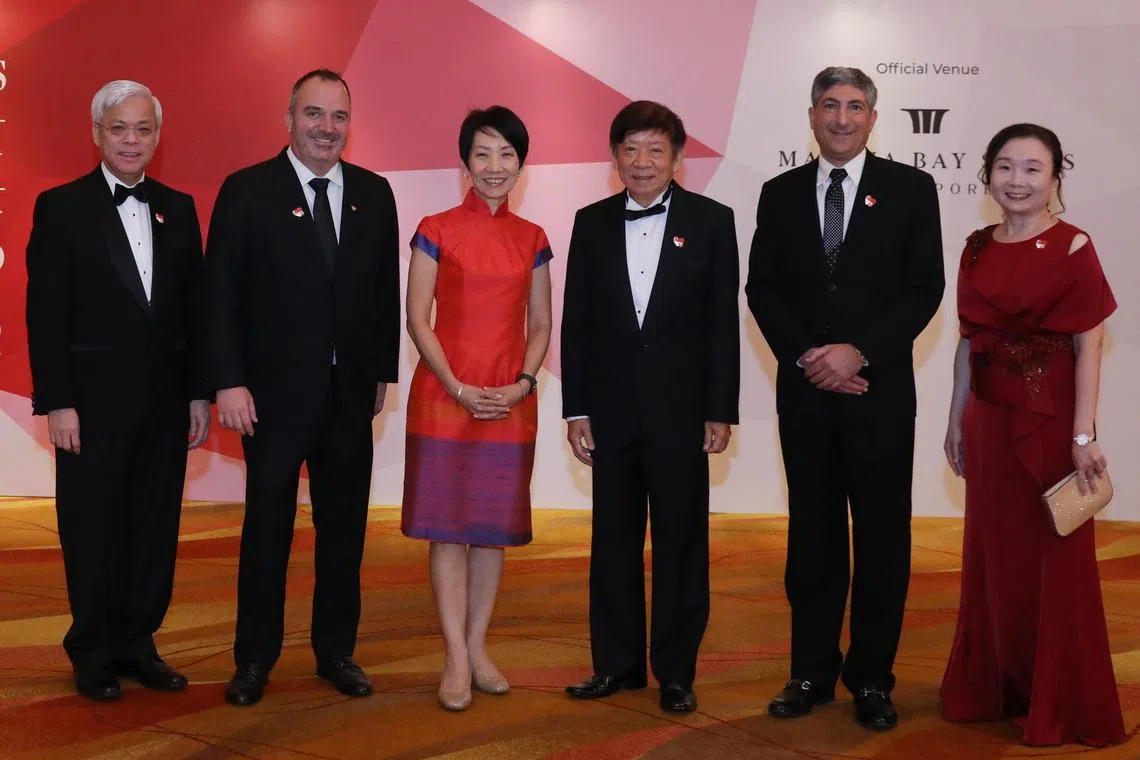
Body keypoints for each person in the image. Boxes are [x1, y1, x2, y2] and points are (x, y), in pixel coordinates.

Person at [746, 66, 944, 730]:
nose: (841, 117)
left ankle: (872, 679)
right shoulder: (779, 194)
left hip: (880, 393)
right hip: (805, 394)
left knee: (884, 537)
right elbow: (762, 287)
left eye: (854, 106)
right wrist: (808, 354)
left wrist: (860, 350)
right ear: (811, 115)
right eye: (829, 105)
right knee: (813, 536)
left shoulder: (911, 190)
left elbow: (924, 286)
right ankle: (809, 671)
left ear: (872, 117)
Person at [205, 69, 401, 706]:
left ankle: (336, 652)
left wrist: (380, 376)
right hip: (271, 400)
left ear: (351, 122)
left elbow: (381, 293)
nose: (326, 128)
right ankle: (254, 659)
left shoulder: (374, 193)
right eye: (314, 114)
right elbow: (221, 296)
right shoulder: (247, 190)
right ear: (289, 118)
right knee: (268, 531)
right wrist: (228, 381)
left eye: (338, 116)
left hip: (349, 398)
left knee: (344, 532)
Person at [25, 79, 211, 701]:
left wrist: (198, 393)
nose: (132, 140)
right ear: (97, 133)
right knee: (92, 526)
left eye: (143, 129)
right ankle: (93, 650)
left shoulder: (179, 207)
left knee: (155, 527)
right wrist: (58, 401)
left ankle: (139, 643)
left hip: (165, 405)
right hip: (91, 406)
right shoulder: (61, 205)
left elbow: (193, 312)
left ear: (157, 137)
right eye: (119, 129)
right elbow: (45, 312)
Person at [939, 123, 1124, 746]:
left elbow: (1088, 343)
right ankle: (1000, 684)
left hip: (1049, 423)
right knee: (995, 554)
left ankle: (1056, 697)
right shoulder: (973, 247)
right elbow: (969, 342)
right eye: (1006, 168)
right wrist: (955, 416)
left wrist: (1083, 435)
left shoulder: (1075, 246)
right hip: (989, 421)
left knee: (1053, 555)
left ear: (1054, 179)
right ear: (988, 174)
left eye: (1032, 169)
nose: (1017, 181)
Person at [561, 100, 740, 714]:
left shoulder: (713, 222)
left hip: (682, 414)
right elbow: (576, 323)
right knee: (611, 539)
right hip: (608, 413)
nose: (641, 161)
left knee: (681, 541)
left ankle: (676, 673)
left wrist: (721, 409)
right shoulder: (589, 222)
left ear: (678, 158)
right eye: (630, 149)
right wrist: (575, 407)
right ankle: (615, 665)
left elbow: (722, 325)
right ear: (614, 158)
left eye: (655, 150)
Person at [401, 106, 553, 712]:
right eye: (483, 153)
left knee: (491, 535)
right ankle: (456, 659)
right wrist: (459, 387)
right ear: (464, 162)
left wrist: (521, 383)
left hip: (510, 400)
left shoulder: (533, 237)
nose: (495, 166)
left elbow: (540, 324)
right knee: (447, 533)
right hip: (445, 397)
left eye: (507, 154)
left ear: (521, 163)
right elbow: (418, 318)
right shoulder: (436, 227)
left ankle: (479, 645)